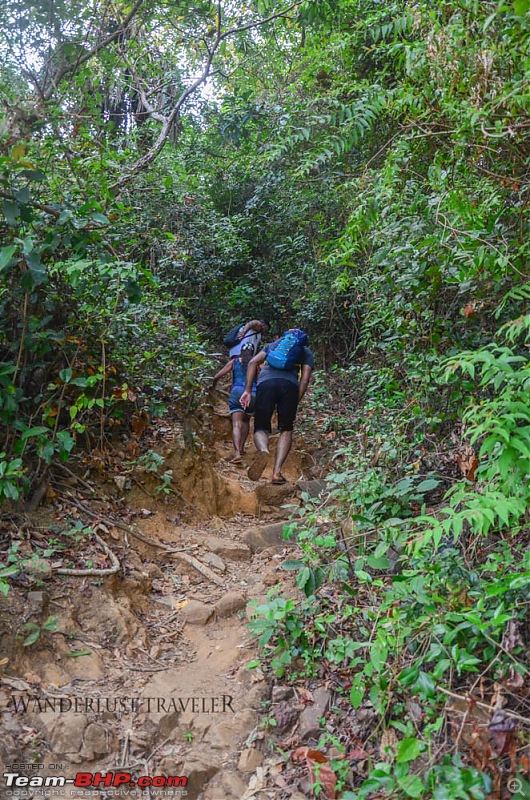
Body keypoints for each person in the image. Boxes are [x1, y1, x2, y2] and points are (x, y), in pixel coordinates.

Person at [240, 333, 314, 484]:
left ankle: (264, 450)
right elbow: (305, 379)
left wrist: (247, 390)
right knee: (286, 430)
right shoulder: (305, 352)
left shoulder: (273, 346)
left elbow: (253, 362)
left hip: (266, 384)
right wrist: (295, 400)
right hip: (289, 386)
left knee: (261, 427)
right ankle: (276, 473)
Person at [211, 348, 257, 464]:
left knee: (237, 424)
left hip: (237, 392)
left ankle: (236, 453)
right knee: (246, 421)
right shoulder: (256, 363)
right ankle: (241, 449)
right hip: (252, 394)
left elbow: (217, 376)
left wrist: (213, 386)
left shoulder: (234, 362)